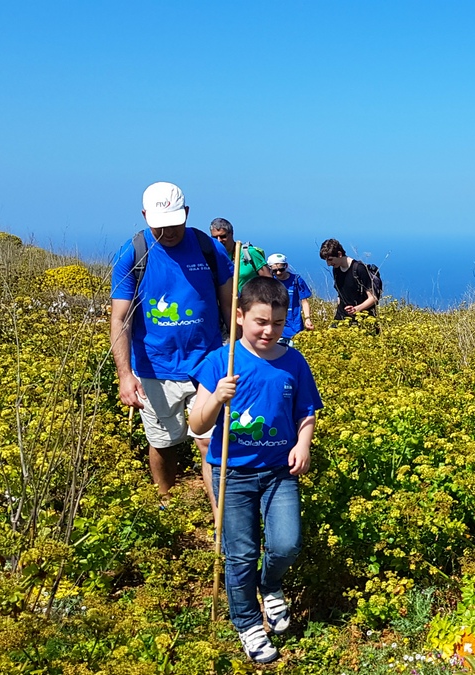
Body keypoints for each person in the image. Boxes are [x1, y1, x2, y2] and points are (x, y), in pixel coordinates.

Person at [189, 276, 321, 664]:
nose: (269, 331)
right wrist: (217, 397)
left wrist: (303, 443)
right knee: (241, 554)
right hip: (232, 472)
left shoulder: (294, 361)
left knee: (286, 543)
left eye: (278, 323)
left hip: (280, 470)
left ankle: (271, 584)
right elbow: (197, 425)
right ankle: (247, 622)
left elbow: (306, 412)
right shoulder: (220, 360)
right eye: (261, 321)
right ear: (240, 316)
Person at [110, 182, 234, 517]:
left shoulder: (209, 249)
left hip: (206, 363)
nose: (168, 230)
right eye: (159, 223)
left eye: (175, 221)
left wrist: (239, 356)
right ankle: (167, 504)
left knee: (210, 441)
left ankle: (219, 515)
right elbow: (120, 317)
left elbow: (228, 303)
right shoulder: (132, 253)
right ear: (145, 217)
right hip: (154, 368)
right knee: (163, 442)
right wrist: (125, 375)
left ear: (188, 214)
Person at [319, 238, 378, 321]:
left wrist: (356, 309)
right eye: (326, 261)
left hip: (361, 318)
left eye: (330, 260)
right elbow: (341, 293)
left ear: (339, 254)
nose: (328, 264)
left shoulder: (359, 269)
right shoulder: (336, 268)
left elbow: (373, 298)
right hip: (342, 316)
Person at [210, 217, 271, 292]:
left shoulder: (249, 252)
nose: (219, 241)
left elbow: (269, 280)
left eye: (223, 236)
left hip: (251, 300)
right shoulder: (213, 257)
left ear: (231, 234)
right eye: (215, 238)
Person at [266, 253, 313, 343]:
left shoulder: (296, 280)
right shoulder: (271, 282)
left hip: (295, 326)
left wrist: (307, 318)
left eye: (281, 269)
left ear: (286, 266)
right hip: (277, 328)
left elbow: (304, 301)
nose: (278, 273)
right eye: (275, 271)